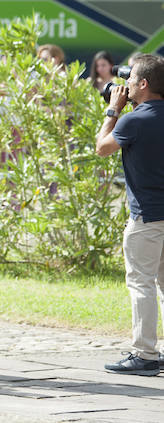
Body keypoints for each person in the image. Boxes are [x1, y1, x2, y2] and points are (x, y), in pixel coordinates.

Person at [95, 54, 164, 376]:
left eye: (132, 79)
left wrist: (113, 110)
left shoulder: (133, 120)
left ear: (145, 83)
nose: (128, 84)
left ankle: (145, 353)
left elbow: (102, 148)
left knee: (141, 284)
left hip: (146, 219)